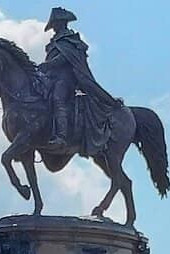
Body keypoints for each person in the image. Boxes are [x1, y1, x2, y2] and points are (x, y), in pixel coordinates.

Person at [40, 7, 119, 151]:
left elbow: (65, 58)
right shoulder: (54, 42)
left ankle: (61, 137)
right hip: (51, 79)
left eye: (55, 24)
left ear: (62, 23)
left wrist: (48, 65)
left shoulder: (70, 40)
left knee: (58, 99)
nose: (54, 28)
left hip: (67, 80)